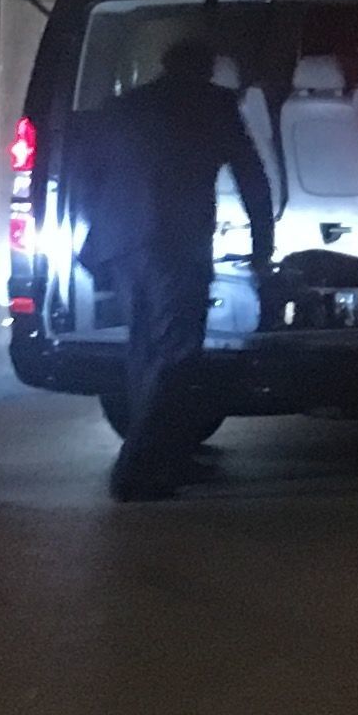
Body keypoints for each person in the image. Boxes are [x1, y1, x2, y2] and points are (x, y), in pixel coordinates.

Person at [111, 25, 275, 500]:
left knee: (144, 351)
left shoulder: (129, 105)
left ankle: (167, 456)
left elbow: (93, 171)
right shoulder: (214, 104)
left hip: (124, 243)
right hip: (175, 243)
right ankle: (135, 469)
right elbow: (250, 175)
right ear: (206, 70)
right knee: (178, 352)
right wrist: (262, 247)